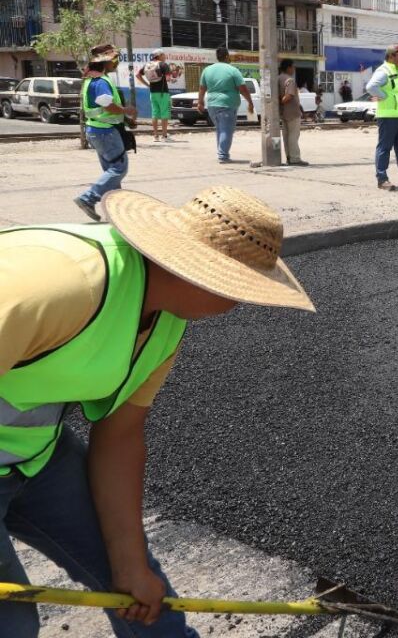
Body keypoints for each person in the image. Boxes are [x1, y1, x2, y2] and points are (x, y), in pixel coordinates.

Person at [0, 184, 314, 637]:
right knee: (11, 623)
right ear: (201, 273)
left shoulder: (165, 319)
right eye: (239, 290)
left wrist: (129, 564)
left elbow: (121, 435)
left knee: (146, 598)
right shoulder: (55, 286)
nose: (240, 305)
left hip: (36, 456)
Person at [74, 44, 137, 222]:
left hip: (97, 129)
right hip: (105, 132)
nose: (116, 63)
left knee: (111, 171)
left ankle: (117, 210)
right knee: (119, 168)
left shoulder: (91, 80)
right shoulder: (101, 82)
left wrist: (126, 119)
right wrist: (127, 111)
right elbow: (107, 105)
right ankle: (88, 198)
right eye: (114, 60)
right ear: (106, 63)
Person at [364, 46, 398, 191]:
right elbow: (371, 86)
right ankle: (382, 179)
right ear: (391, 56)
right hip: (388, 116)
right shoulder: (384, 71)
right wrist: (385, 97)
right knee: (384, 148)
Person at [196, 47, 254, 164]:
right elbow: (242, 88)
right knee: (226, 130)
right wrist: (250, 102)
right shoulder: (232, 70)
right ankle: (223, 156)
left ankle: (221, 153)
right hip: (227, 104)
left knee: (220, 129)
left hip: (212, 104)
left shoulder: (207, 70)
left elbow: (202, 88)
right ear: (227, 56)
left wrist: (200, 102)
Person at [275, 59, 307, 166]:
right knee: (293, 135)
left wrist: (279, 103)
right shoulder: (290, 80)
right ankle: (295, 158)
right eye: (293, 67)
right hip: (292, 112)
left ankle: (289, 157)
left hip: (283, 113)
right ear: (288, 67)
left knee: (286, 136)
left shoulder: (278, 78)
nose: (294, 69)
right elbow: (289, 95)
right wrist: (282, 101)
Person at [136, 49, 172, 143]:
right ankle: (164, 136)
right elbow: (168, 79)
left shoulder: (147, 65)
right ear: (159, 55)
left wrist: (147, 84)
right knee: (164, 113)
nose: (165, 56)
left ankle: (155, 136)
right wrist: (169, 78)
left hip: (152, 92)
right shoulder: (163, 65)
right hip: (163, 92)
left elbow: (137, 75)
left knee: (155, 113)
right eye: (163, 54)